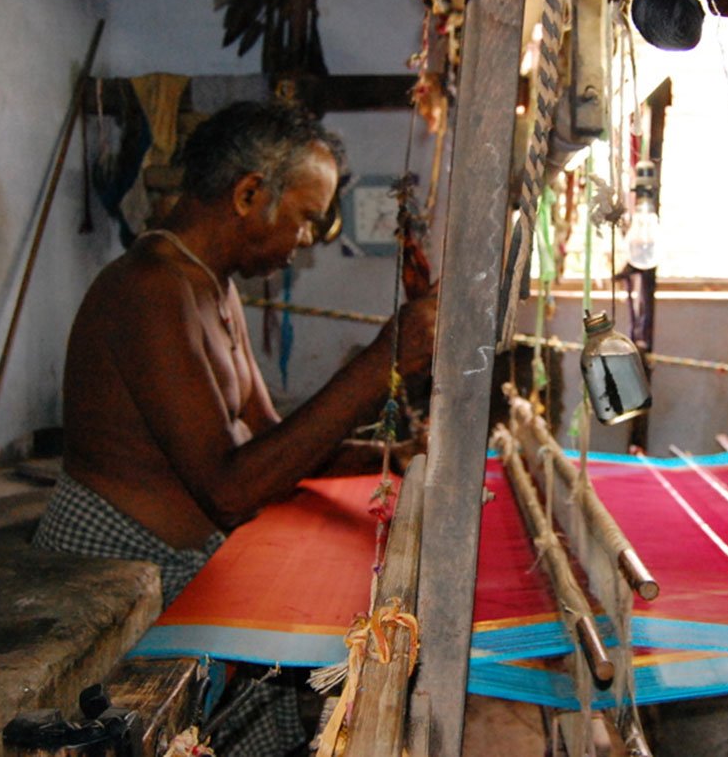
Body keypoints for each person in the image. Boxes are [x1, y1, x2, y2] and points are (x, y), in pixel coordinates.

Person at [34, 100, 437, 756]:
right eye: (306, 218)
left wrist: (399, 453)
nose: (307, 240)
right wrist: (381, 362)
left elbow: (279, 449)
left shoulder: (211, 286)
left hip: (178, 564)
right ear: (249, 194)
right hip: (115, 581)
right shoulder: (147, 290)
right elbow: (228, 488)